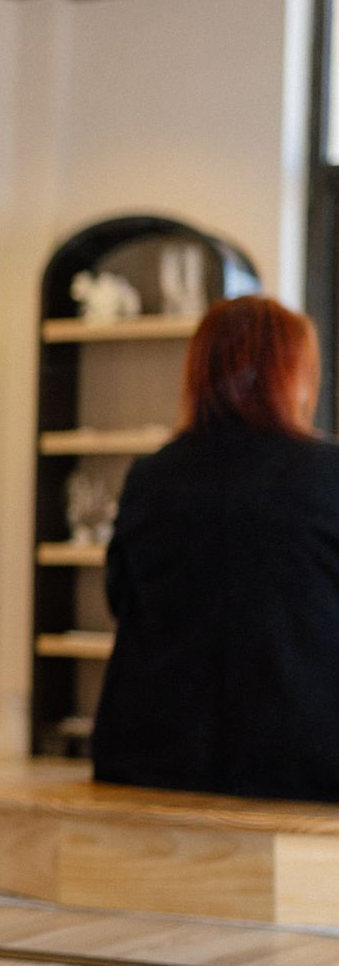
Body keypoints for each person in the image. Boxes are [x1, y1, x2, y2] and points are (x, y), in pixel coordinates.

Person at [91, 294, 339, 801]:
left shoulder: (150, 476)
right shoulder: (329, 473)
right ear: (294, 375)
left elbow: (120, 599)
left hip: (151, 755)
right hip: (309, 759)